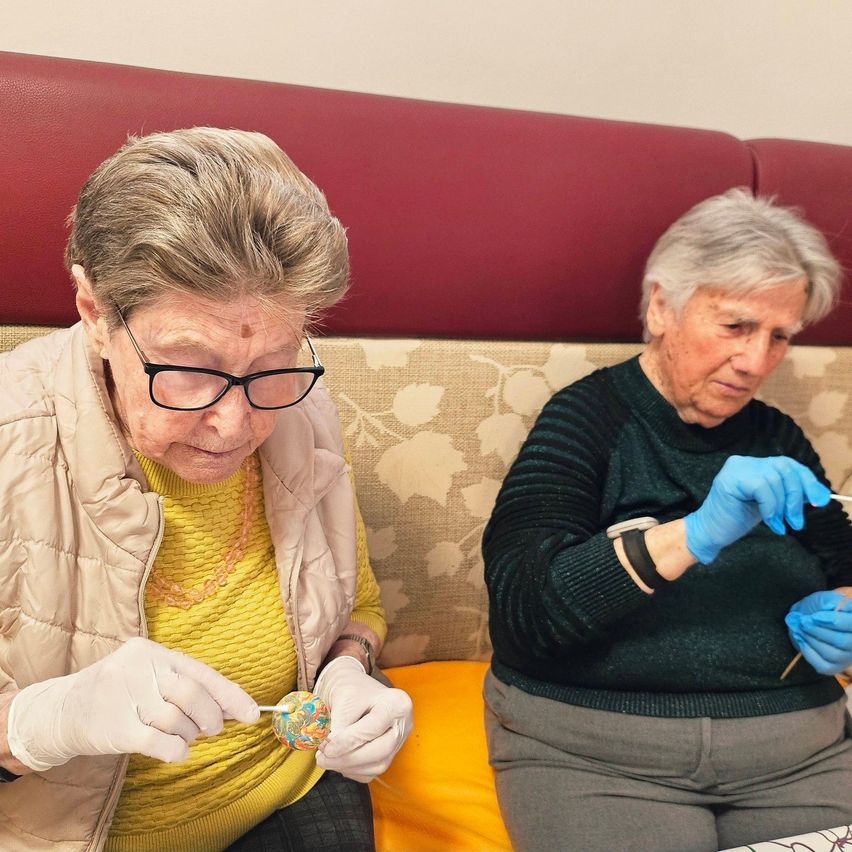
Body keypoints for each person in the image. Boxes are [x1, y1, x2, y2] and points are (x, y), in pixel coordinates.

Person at [0, 127, 412, 852]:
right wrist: (43, 722)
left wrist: (351, 670)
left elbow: (360, 607)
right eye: (189, 369)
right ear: (95, 313)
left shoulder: (301, 410)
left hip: (289, 791)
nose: (236, 423)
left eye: (273, 363)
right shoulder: (10, 434)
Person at [482, 188, 852, 852]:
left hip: (803, 755)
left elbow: (846, 563)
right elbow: (524, 611)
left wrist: (849, 614)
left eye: (780, 337)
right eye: (736, 326)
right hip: (600, 756)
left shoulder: (778, 437)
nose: (756, 361)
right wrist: (692, 533)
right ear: (660, 306)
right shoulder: (589, 420)